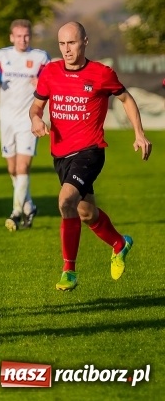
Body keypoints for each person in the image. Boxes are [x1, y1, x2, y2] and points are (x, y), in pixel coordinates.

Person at [30, 21, 152, 291]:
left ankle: (68, 271)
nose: (66, 49)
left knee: (65, 202)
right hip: (60, 154)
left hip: (90, 152)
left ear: (85, 41)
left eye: (71, 43)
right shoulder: (50, 72)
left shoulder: (101, 73)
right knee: (85, 213)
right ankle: (120, 243)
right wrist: (36, 120)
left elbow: (126, 99)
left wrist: (139, 133)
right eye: (62, 44)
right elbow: (36, 106)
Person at [0, 19, 50, 231]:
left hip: (28, 120)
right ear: (12, 37)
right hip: (6, 120)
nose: (22, 39)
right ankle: (29, 206)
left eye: (26, 35)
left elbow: (52, 82)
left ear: (30, 36)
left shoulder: (40, 57)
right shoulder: (2, 56)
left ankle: (16, 211)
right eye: (18, 36)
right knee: (12, 168)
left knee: (23, 166)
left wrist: (42, 83)